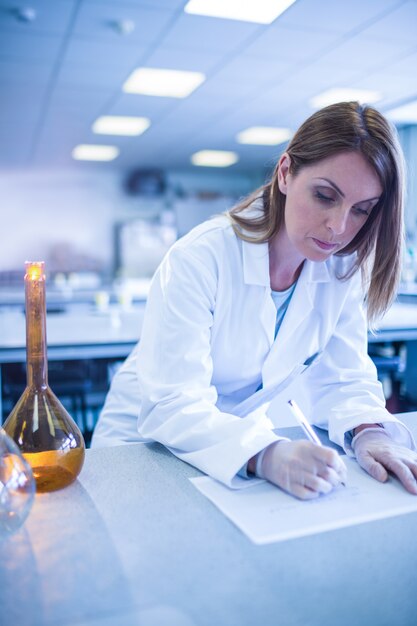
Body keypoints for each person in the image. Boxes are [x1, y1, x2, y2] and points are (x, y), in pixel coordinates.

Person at [92, 101, 417, 500]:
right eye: (324, 196)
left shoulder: (338, 270)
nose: (339, 227)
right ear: (285, 173)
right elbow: (174, 403)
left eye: (362, 210)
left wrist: (370, 432)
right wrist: (265, 453)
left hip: (235, 450)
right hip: (142, 447)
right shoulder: (201, 257)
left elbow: (344, 376)